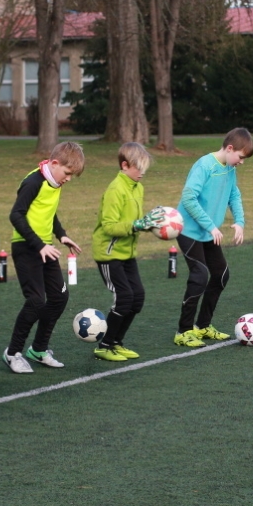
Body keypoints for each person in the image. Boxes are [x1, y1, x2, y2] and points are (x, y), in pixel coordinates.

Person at [2, 142, 85, 373]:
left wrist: (62, 235)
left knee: (60, 297)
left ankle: (38, 349)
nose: (68, 179)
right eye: (67, 173)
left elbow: (48, 211)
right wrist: (39, 244)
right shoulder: (33, 182)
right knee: (36, 301)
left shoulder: (54, 181)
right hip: (26, 247)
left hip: (46, 248)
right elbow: (16, 215)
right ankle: (12, 353)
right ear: (54, 163)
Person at [174, 128, 253, 347]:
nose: (241, 162)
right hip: (189, 230)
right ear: (230, 148)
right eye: (241, 157)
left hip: (209, 233)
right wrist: (211, 227)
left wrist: (239, 221)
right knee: (199, 275)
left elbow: (233, 194)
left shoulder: (229, 167)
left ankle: (203, 326)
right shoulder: (204, 166)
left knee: (220, 275)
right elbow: (188, 199)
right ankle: (184, 331)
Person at [91, 142, 162, 362]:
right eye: (138, 168)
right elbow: (110, 226)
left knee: (137, 297)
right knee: (124, 298)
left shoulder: (137, 187)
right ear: (124, 165)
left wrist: (149, 224)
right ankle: (103, 345)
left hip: (127, 253)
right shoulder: (115, 189)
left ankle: (116, 342)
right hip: (109, 254)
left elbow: (135, 221)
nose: (142, 173)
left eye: (145, 168)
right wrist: (137, 225)